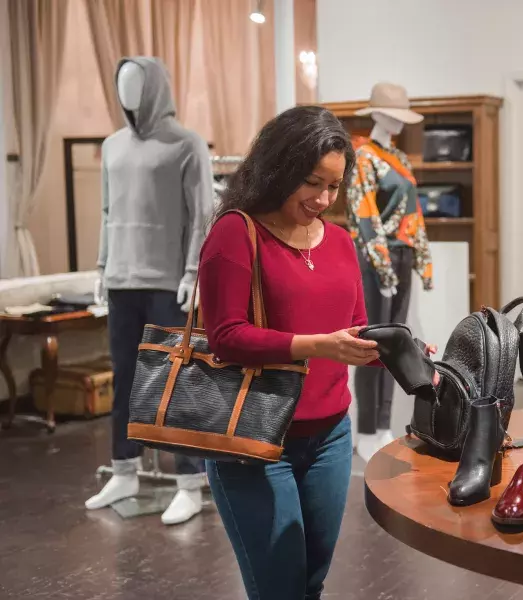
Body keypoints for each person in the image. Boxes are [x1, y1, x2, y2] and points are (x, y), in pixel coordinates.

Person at [198, 106, 436, 600]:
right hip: (256, 441)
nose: (324, 199)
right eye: (313, 183)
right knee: (279, 589)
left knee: (310, 583)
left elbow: (355, 339)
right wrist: (315, 346)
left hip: (329, 438)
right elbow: (224, 336)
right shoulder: (236, 233)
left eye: (334, 186)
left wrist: (405, 353)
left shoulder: (342, 243)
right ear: (280, 169)